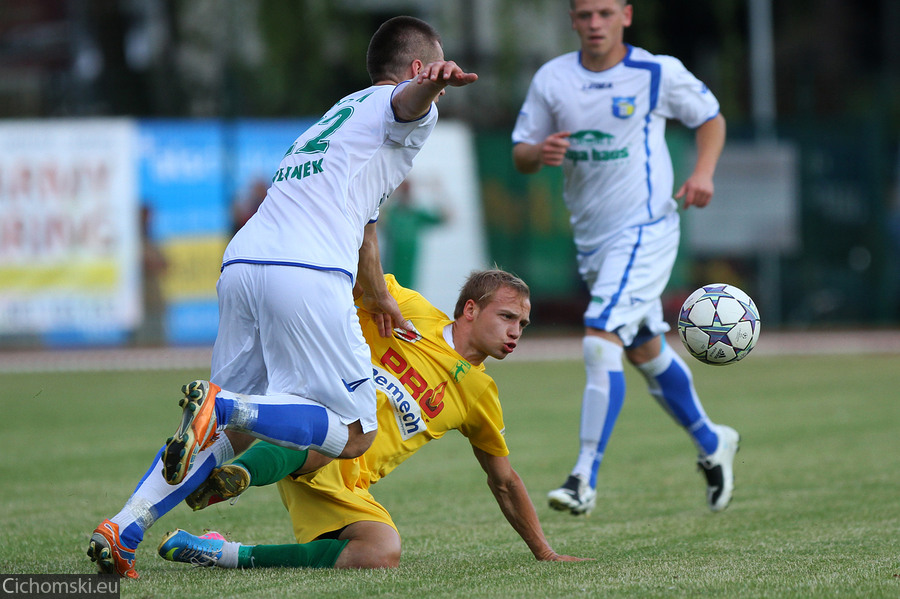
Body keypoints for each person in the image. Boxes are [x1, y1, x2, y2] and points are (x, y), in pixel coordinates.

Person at [87, 15, 478, 578]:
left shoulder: (335, 118)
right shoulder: (404, 104)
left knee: (227, 437)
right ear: (416, 66)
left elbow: (365, 228)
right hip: (308, 270)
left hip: (244, 262)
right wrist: (435, 83)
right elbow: (407, 104)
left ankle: (124, 527)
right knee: (355, 431)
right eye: (428, 68)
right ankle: (224, 405)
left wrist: (380, 296)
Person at [511, 0, 737, 516]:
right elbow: (521, 153)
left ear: (626, 16)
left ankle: (583, 477)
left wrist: (703, 173)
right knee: (643, 348)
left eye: (605, 13)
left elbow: (711, 119)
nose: (595, 24)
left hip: (646, 229)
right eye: (585, 14)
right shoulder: (553, 78)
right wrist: (539, 151)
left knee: (598, 338)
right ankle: (711, 439)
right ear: (572, 19)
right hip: (592, 240)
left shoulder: (656, 72)